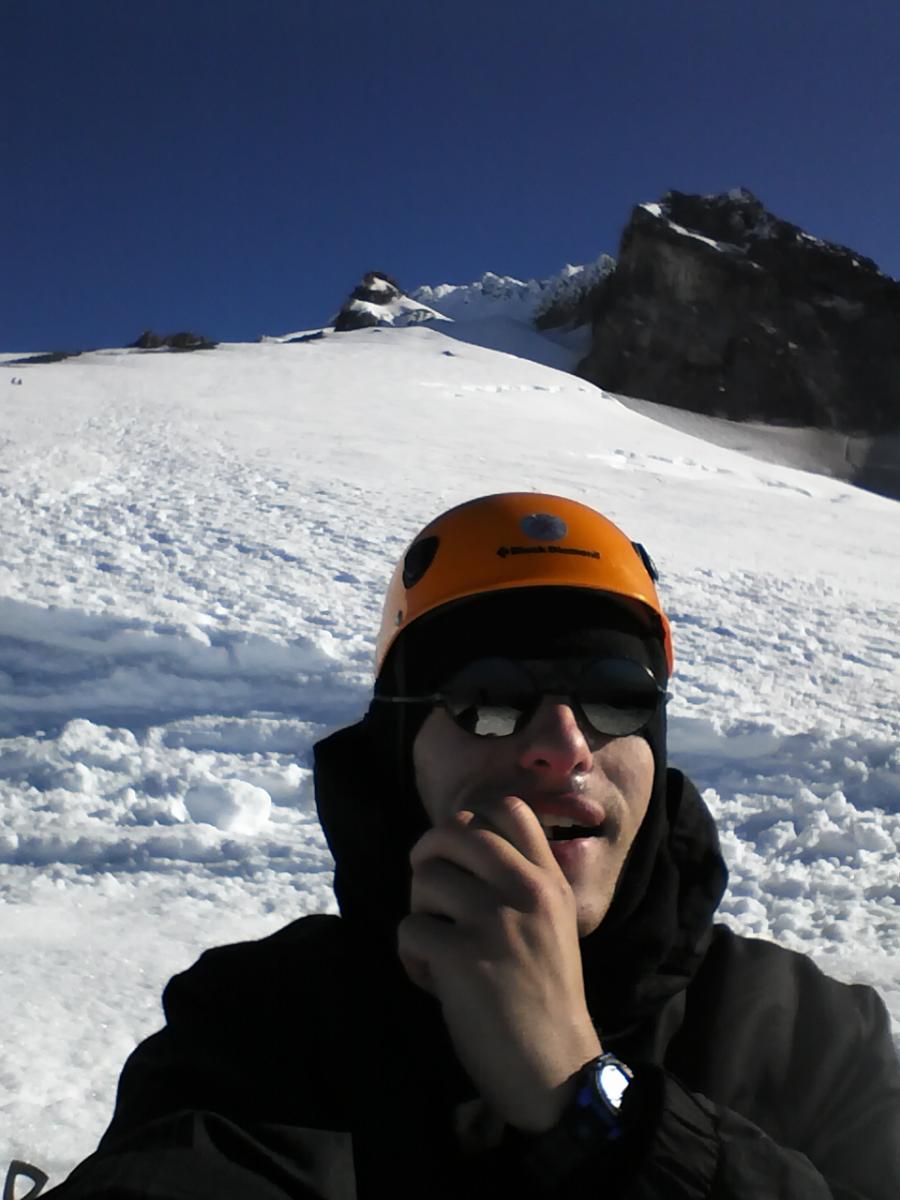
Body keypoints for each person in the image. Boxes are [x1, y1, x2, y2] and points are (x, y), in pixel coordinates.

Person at [45, 493, 900, 1198]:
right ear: (398, 756)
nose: (564, 745)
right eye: (487, 697)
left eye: (617, 697)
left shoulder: (812, 1034)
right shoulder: (261, 1022)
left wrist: (592, 1100)